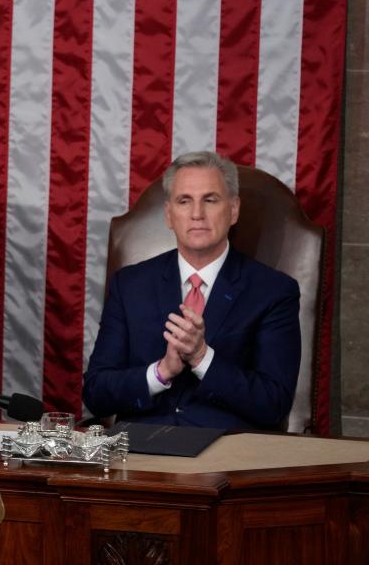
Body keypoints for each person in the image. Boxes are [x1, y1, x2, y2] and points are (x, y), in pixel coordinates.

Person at [82, 151, 301, 430]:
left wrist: (201, 358)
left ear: (233, 210)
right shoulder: (130, 284)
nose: (197, 214)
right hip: (141, 457)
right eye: (184, 201)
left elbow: (274, 404)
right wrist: (160, 373)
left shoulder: (274, 291)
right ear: (169, 215)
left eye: (210, 200)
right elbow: (96, 393)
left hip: (227, 457)